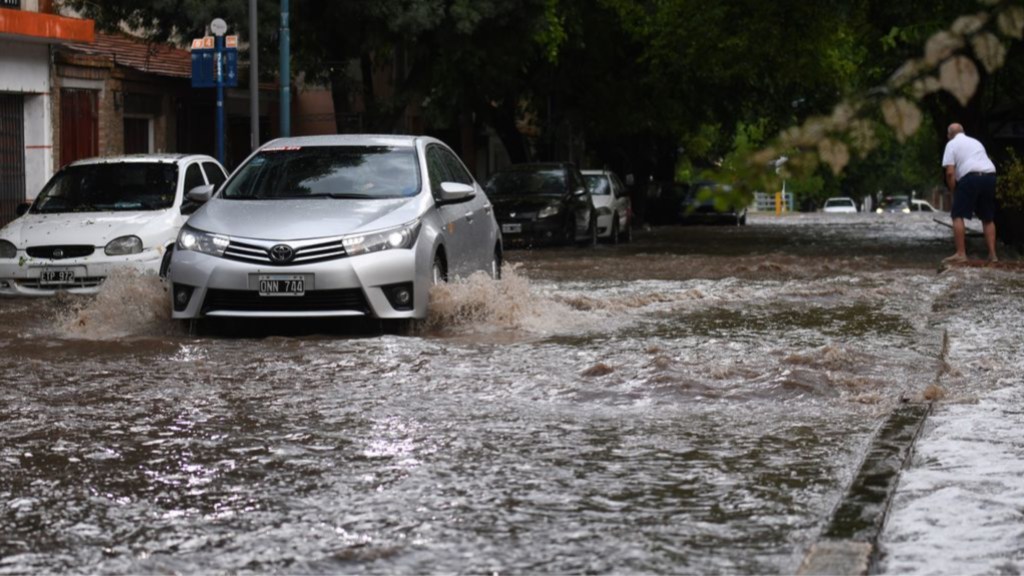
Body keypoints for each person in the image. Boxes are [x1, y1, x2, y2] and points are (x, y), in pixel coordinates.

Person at [941, 123, 998, 263]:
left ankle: (961, 253)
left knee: (957, 214)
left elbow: (949, 173)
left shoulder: (951, 144)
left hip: (970, 177)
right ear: (963, 131)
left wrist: (954, 190)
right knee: (988, 217)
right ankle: (993, 254)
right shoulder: (976, 142)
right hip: (990, 176)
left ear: (949, 135)